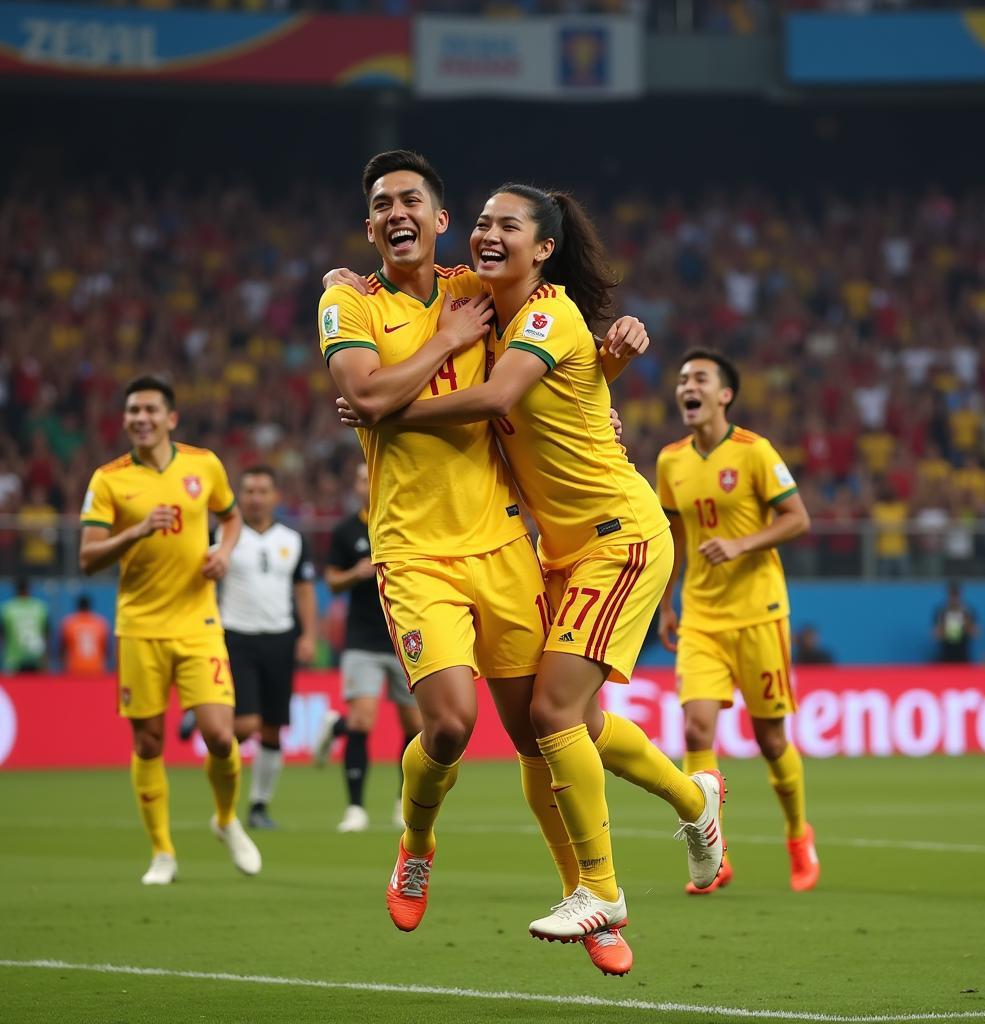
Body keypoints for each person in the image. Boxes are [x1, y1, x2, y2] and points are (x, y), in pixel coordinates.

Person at [321, 151, 712, 977]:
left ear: (437, 219)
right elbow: (365, 388)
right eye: (382, 204)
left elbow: (528, 376)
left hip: (508, 545)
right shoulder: (348, 298)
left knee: (544, 732)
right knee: (451, 725)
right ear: (370, 228)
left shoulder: (481, 290)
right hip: (415, 549)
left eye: (413, 201)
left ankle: (593, 897)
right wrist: (447, 346)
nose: (398, 212)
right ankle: (417, 843)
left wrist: (608, 353)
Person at [79, 374, 261, 885]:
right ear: (125, 419)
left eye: (150, 410)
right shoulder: (109, 479)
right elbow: (87, 557)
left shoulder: (204, 465)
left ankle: (226, 820)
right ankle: (162, 851)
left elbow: (231, 516)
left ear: (170, 418)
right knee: (149, 743)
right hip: (139, 626)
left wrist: (223, 553)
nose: (141, 418)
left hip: (199, 622)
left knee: (220, 736)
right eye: (133, 410)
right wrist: (135, 530)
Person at [655, 349, 819, 894]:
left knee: (771, 740)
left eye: (699, 378)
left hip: (759, 612)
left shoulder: (754, 452)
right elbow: (676, 537)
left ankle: (798, 834)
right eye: (682, 380)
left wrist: (744, 543)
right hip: (701, 615)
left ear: (724, 395)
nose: (687, 387)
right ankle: (713, 852)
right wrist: (666, 601)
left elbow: (797, 518)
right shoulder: (671, 460)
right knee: (697, 727)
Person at [315, 460, 422, 834]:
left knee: (416, 726)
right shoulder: (346, 531)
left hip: (404, 637)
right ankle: (356, 808)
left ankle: (402, 801)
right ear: (357, 486)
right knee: (364, 720)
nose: (368, 484)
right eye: (361, 479)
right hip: (362, 639)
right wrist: (354, 574)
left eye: (371, 476)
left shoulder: (406, 521)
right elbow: (330, 581)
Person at [218, 464, 318, 830]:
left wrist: (308, 635)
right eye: (249, 491)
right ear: (239, 496)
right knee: (245, 725)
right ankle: (223, 798)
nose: (255, 498)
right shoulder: (224, 535)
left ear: (275, 496)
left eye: (262, 491)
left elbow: (304, 590)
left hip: (280, 638)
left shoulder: (291, 540)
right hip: (237, 636)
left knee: (273, 729)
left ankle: (259, 805)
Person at [1, 577, 49, 673]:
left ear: (16, 591)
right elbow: (46, 635)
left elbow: (3, 635)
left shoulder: (7, 609)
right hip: (36, 658)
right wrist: (45, 659)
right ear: (29, 590)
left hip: (14, 659)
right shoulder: (40, 608)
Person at [60, 594, 110, 676]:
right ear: (90, 607)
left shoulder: (69, 623)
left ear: (77, 607)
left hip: (74, 669)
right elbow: (107, 649)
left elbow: (62, 648)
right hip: (96, 669)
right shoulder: (100, 623)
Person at [933, 581, 979, 663]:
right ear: (948, 595)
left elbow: (975, 634)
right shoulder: (941, 611)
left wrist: (965, 621)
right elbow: (936, 636)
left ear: (960, 595)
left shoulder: (968, 611)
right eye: (952, 595)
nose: (954, 598)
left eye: (956, 595)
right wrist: (945, 622)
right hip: (945, 656)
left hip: (963, 656)